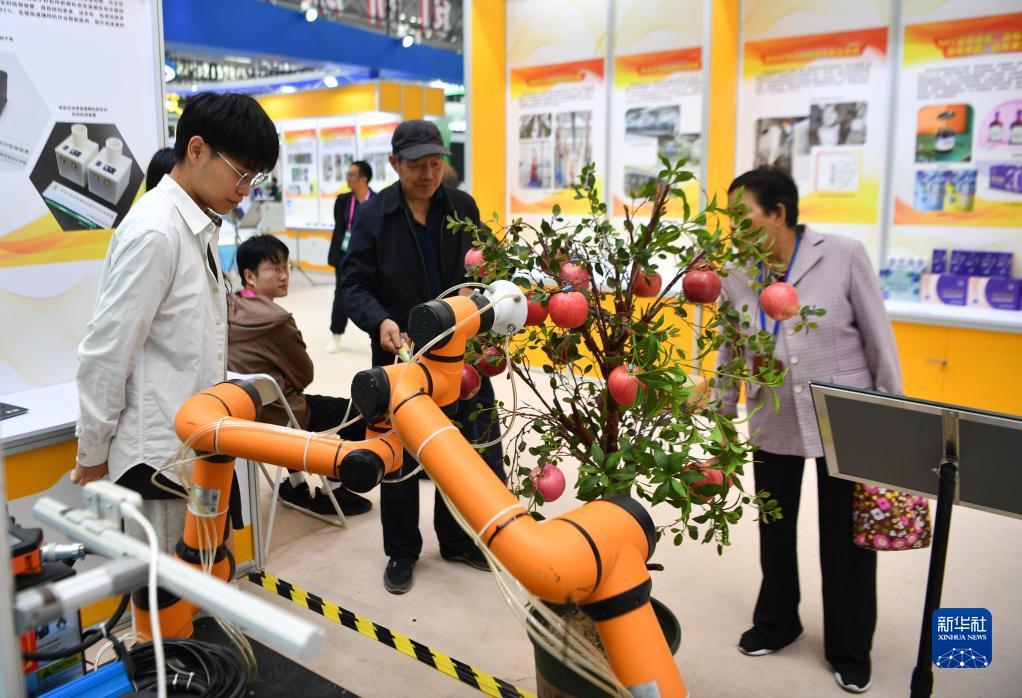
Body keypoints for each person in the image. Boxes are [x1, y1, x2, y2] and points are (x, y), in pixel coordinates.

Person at [716, 167, 901, 694]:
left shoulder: (843, 255)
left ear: (778, 213)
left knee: (846, 539)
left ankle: (849, 646)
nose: (732, 228)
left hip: (845, 417)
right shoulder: (736, 273)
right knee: (774, 530)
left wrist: (892, 418)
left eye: (742, 216)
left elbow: (879, 340)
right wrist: (723, 415)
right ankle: (778, 621)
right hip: (772, 416)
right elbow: (730, 348)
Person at [72, 92, 279, 552]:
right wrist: (93, 451)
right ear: (197, 149)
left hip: (199, 448)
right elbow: (107, 351)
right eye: (241, 172)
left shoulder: (197, 225)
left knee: (209, 572)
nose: (245, 189)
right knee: (170, 589)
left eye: (255, 177)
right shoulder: (156, 232)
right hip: (161, 461)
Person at [340, 119, 504, 594]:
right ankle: (402, 551)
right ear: (395, 164)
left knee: (465, 450)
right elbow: (353, 285)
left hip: (461, 356)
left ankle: (456, 540)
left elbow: (491, 264)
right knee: (398, 455)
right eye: (418, 166)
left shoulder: (462, 207)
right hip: (401, 358)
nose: (429, 174)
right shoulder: (375, 216)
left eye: (435, 164)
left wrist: (483, 296)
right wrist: (379, 321)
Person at [227, 234, 371, 518]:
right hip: (281, 417)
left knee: (286, 396)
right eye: (275, 268)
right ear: (249, 276)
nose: (284, 276)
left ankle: (295, 484)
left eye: (286, 267)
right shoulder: (277, 319)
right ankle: (333, 490)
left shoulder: (227, 308)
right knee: (355, 415)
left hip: (242, 415)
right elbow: (305, 374)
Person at [326, 160, 374, 354]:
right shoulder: (343, 200)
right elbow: (340, 226)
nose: (347, 178)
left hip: (370, 256)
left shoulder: (377, 200)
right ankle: (335, 334)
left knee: (375, 295)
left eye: (352, 175)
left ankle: (377, 336)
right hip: (344, 255)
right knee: (341, 294)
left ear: (363, 179)